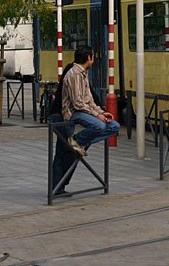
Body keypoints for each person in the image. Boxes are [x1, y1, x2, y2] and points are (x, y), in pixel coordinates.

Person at [62, 45, 119, 157]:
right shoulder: (74, 74)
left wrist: (100, 112)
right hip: (73, 112)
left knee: (114, 126)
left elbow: (89, 99)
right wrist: (96, 115)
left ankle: (82, 143)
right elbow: (77, 103)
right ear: (89, 57)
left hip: (84, 110)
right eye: (92, 57)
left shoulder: (84, 74)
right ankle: (75, 140)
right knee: (100, 126)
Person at [48, 63, 76, 195]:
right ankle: (58, 185)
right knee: (69, 150)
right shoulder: (73, 73)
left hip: (62, 117)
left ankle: (58, 185)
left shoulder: (75, 72)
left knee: (65, 151)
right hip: (61, 117)